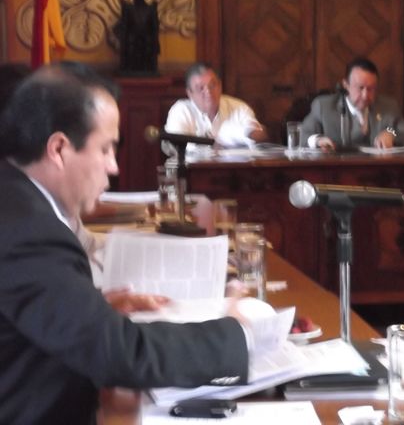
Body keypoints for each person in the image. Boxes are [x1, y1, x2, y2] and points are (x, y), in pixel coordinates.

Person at [0, 65, 253, 424]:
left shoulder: (17, 200)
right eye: (105, 149)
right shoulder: (28, 229)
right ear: (58, 148)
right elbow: (120, 354)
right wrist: (235, 333)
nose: (114, 167)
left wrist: (92, 307)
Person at [299, 57, 404, 151]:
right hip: (336, 168)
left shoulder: (388, 106)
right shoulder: (324, 107)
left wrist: (391, 134)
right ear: (346, 84)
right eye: (360, 88)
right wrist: (318, 140)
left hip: (378, 169)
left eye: (371, 89)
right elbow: (303, 135)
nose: (365, 95)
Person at [163, 62, 268, 154]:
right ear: (190, 93)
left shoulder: (239, 107)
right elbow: (176, 145)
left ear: (220, 86)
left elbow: (257, 133)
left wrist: (255, 133)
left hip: (235, 168)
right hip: (191, 169)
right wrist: (215, 145)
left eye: (212, 85)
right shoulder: (180, 111)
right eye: (200, 88)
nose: (208, 92)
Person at [115, 0, 160, 74]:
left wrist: (155, 38)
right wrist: (123, 36)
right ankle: (129, 67)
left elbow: (154, 25)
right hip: (132, 35)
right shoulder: (129, 9)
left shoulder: (150, 9)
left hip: (146, 35)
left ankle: (147, 67)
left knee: (148, 44)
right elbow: (125, 24)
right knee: (130, 44)